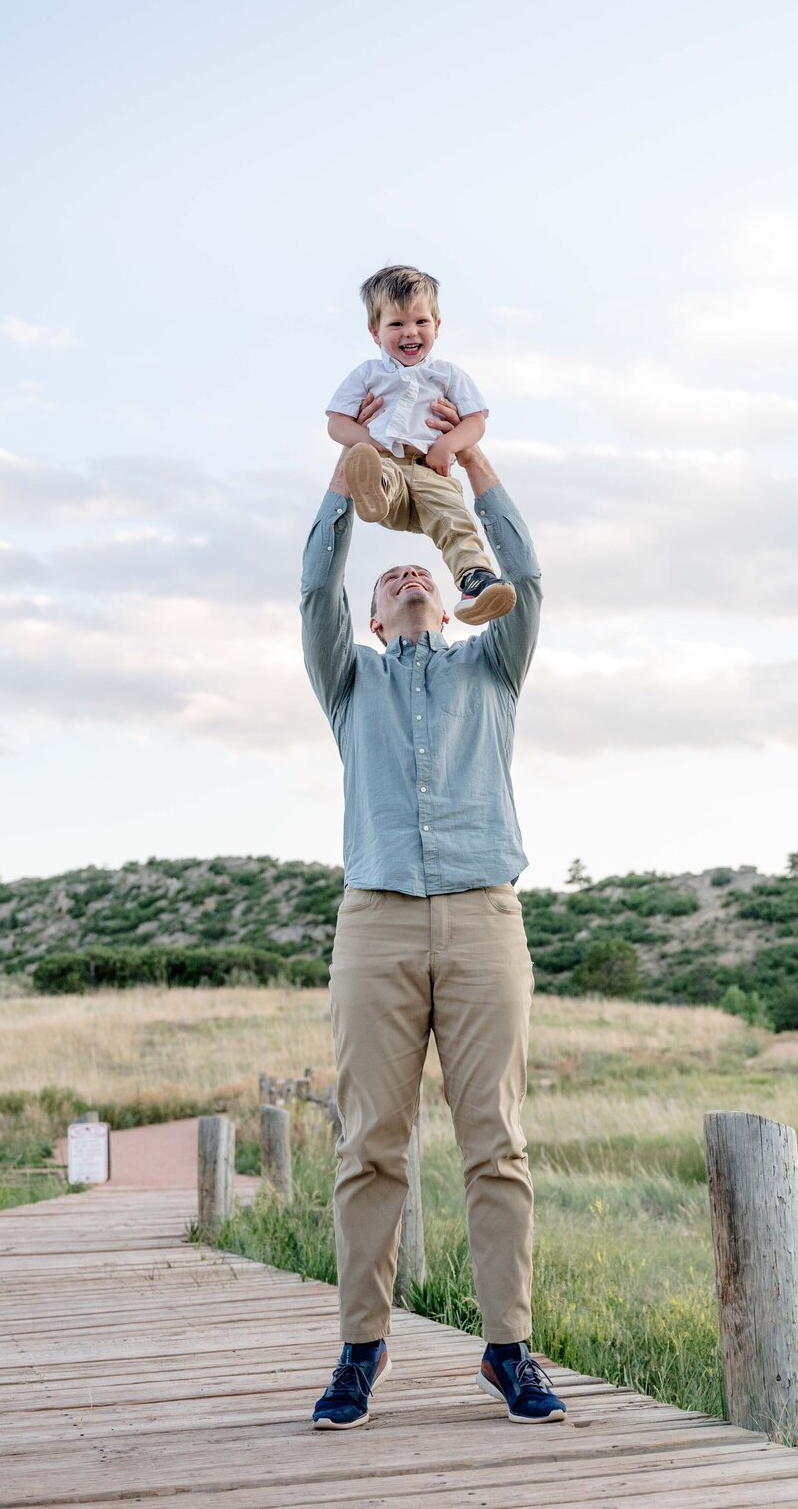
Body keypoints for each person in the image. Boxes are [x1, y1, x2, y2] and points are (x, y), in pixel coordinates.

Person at [299, 409, 566, 1430]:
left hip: (483, 917)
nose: (410, 577)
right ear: (372, 616)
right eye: (391, 579)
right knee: (371, 1141)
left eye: (423, 574)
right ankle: (360, 1349)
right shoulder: (348, 682)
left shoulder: (489, 668)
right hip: (375, 924)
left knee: (495, 1140)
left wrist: (469, 463)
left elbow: (529, 583)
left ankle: (509, 1350)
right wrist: (353, 462)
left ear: (448, 604)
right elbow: (314, 584)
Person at [325, 265, 516, 626]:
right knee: (381, 472)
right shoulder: (367, 373)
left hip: (432, 470)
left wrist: (447, 444)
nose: (410, 332)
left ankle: (475, 582)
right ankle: (373, 489)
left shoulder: (448, 374)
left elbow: (476, 421)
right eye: (396, 324)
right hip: (388, 466)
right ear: (375, 333)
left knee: (455, 521)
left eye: (421, 322)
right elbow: (336, 423)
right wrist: (368, 443)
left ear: (438, 326)